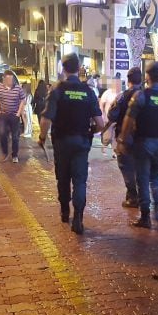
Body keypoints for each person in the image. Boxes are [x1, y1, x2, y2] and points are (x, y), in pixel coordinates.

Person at [38, 53, 104, 235]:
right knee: (80, 180)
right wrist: (90, 132)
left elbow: (46, 119)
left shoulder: (57, 90)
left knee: (63, 177)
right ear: (79, 68)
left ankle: (65, 211)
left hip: (61, 142)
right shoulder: (88, 92)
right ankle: (78, 218)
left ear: (63, 68)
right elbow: (100, 124)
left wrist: (42, 137)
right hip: (82, 142)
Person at [116, 62, 158, 228]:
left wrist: (123, 140)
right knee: (155, 177)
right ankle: (156, 209)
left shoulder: (141, 96)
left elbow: (128, 121)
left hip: (143, 143)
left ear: (147, 76)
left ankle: (145, 216)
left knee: (142, 179)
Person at [107, 68, 144, 208]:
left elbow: (112, 115)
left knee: (126, 166)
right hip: (143, 139)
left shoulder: (122, 97)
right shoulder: (146, 96)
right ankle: (142, 195)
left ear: (128, 80)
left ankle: (132, 195)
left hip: (126, 138)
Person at [0, 70, 27, 163]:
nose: (10, 81)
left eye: (11, 79)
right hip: (3, 114)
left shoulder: (18, 88)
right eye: (8, 79)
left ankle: (15, 155)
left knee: (15, 136)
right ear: (4, 79)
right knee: (2, 133)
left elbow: (23, 100)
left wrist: (18, 113)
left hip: (14, 115)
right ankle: (4, 153)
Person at [98, 78, 121, 156]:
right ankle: (104, 147)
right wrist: (102, 115)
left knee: (115, 135)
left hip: (117, 119)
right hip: (108, 118)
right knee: (107, 136)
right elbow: (102, 104)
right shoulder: (107, 93)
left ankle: (114, 152)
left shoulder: (121, 93)